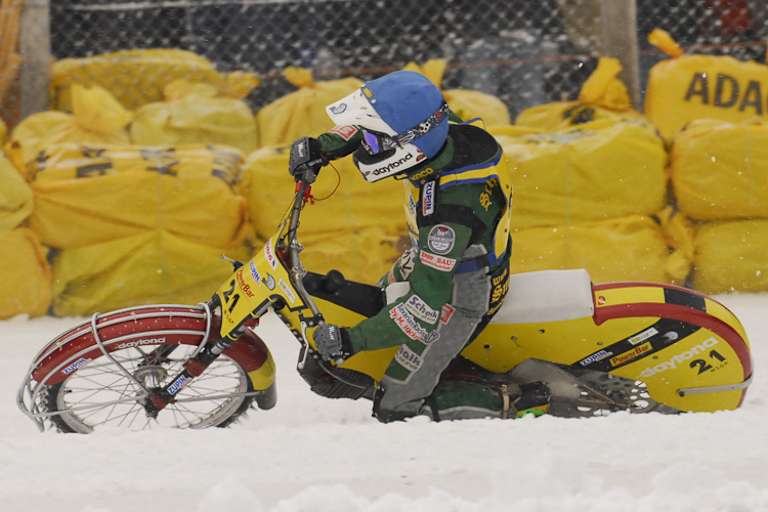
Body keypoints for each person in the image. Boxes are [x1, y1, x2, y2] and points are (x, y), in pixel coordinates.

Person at [288, 70, 549, 422]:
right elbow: (380, 129)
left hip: (462, 291)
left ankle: (519, 403)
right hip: (432, 259)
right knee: (376, 306)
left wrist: (351, 341)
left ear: (411, 145)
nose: (367, 147)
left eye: (376, 142)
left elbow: (424, 310)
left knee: (394, 406)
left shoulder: (448, 213)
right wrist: (323, 147)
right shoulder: (443, 132)